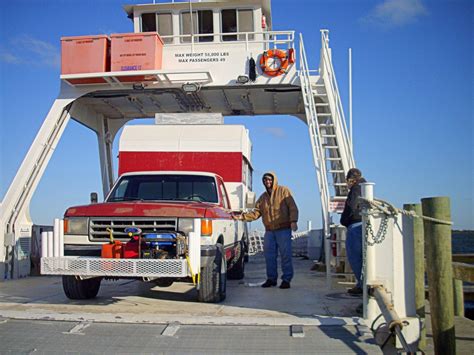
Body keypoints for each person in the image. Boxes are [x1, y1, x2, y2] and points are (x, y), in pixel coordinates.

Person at [237, 172, 298, 289]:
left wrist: (293, 221)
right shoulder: (263, 197)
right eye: (265, 180)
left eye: (269, 179)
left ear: (274, 180)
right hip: (269, 231)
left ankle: (286, 280)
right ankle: (271, 279)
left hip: (283, 229)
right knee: (269, 256)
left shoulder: (284, 191)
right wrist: (242, 217)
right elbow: (256, 213)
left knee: (286, 255)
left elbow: (293, 207)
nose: (267, 182)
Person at [340, 168, 366, 296]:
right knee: (364, 257)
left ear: (351, 180)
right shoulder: (364, 188)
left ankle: (362, 284)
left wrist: (344, 220)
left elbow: (351, 206)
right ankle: (363, 284)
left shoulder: (356, 189)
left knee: (355, 256)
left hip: (355, 225)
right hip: (363, 223)